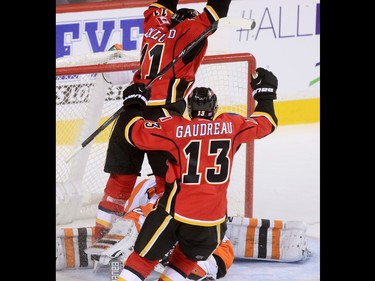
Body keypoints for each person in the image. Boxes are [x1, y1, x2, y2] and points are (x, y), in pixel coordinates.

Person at [110, 66, 279, 281]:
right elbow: (267, 123)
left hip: (175, 216)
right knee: (182, 265)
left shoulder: (175, 128)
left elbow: (133, 133)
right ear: (215, 109)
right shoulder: (232, 126)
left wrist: (134, 104)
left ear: (189, 109)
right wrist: (265, 96)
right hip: (212, 224)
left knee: (141, 262)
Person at [95, 0, 233, 240]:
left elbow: (162, 3)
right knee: (168, 183)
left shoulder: (155, 24)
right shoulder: (189, 31)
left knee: (119, 180)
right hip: (164, 119)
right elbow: (216, 10)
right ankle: (160, 238)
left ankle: (103, 235)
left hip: (131, 113)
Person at [56, 177, 310, 279]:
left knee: (200, 249)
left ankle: (190, 269)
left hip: (205, 249)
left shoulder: (195, 188)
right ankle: (127, 260)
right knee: (140, 220)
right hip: (177, 245)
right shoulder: (148, 188)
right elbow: (128, 219)